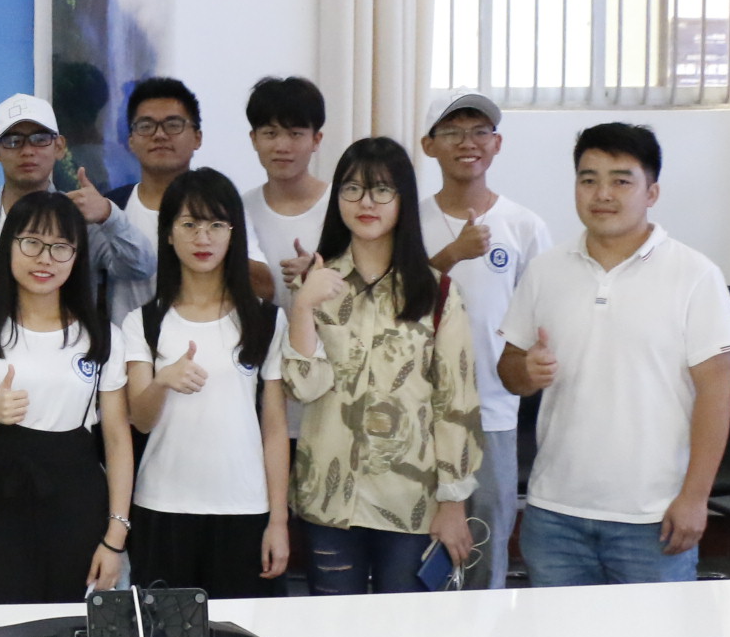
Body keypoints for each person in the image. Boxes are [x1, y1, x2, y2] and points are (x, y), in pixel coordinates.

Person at [501, 123, 730, 588]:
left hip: (653, 517)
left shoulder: (695, 275)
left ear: (652, 192)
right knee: (558, 636)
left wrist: (695, 498)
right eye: (588, 179)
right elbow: (509, 370)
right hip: (554, 515)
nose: (602, 194)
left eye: (621, 180)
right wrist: (526, 371)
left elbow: (717, 393)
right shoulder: (545, 270)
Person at [283, 136, 480, 594]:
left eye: (382, 190)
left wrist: (453, 501)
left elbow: (457, 403)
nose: (366, 202)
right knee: (330, 628)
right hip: (328, 499)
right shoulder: (317, 283)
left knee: (406, 630)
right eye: (352, 189)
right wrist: (303, 304)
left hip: (411, 503)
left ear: (403, 199)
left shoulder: (437, 292)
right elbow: (302, 387)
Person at [0, 191, 134, 603]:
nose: (45, 259)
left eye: (60, 247)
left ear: (76, 257)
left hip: (78, 500)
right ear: (9, 246)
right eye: (32, 243)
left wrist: (115, 535)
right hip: (0, 501)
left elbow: (117, 439)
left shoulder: (103, 337)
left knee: (74, 628)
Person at [121, 168, 289, 598]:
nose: (203, 238)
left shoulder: (265, 319)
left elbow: (274, 428)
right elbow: (140, 419)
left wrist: (278, 520)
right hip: (162, 507)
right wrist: (162, 381)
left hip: (245, 507)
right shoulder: (144, 322)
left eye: (216, 225)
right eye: (189, 224)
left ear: (234, 233)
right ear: (169, 233)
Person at [417, 92, 551, 591]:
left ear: (497, 144)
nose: (467, 143)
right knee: (417, 560)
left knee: (482, 552)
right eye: (452, 132)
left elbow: (542, 317)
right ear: (429, 145)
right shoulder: (409, 221)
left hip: (491, 414)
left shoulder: (524, 226)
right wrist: (452, 254)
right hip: (415, 414)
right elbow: (393, 301)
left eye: (479, 132)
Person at [0, 93, 155, 321]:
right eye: (14, 141)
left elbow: (141, 267)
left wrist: (108, 214)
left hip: (70, 342)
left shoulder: (81, 218)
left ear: (59, 146)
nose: (28, 151)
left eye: (40, 139)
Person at [109, 78, 273, 303]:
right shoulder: (113, 208)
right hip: (129, 326)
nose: (159, 135)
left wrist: (214, 246)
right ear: (131, 141)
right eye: (146, 126)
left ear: (198, 137)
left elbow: (265, 288)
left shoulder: (220, 206)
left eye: (173, 125)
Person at [242, 75, 330, 298]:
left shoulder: (342, 206)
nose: (282, 146)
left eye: (295, 134)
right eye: (270, 134)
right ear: (254, 139)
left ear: (316, 140)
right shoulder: (239, 210)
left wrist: (320, 274)